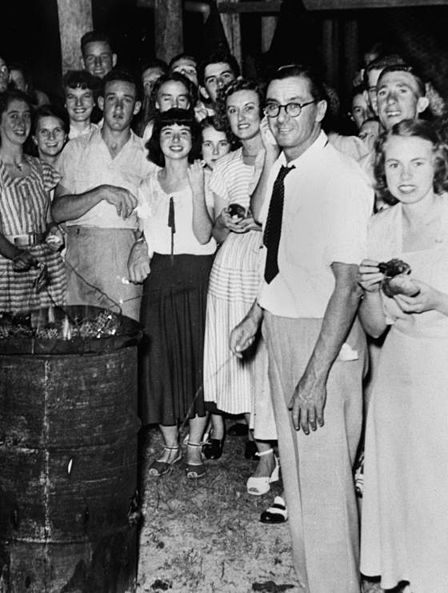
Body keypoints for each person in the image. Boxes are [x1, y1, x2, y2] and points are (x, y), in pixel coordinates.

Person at [230, 65, 373, 593]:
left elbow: (347, 287)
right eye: (273, 106)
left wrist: (315, 377)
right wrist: (256, 313)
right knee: (298, 477)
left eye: (294, 105)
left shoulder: (341, 178)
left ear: (319, 110)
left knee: (326, 487)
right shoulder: (288, 173)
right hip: (284, 331)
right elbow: (282, 262)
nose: (281, 116)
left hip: (324, 344)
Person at [358, 119, 448, 593]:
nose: (405, 175)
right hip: (398, 368)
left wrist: (438, 301)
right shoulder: (380, 226)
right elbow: (375, 327)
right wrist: (369, 290)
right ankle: (412, 578)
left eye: (417, 162)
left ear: (438, 161)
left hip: (444, 367)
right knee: (402, 479)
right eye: (394, 164)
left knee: (440, 481)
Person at [128, 108, 216, 479]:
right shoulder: (148, 184)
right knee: (160, 358)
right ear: (157, 141)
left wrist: (196, 190)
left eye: (184, 132)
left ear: (193, 140)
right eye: (168, 133)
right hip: (161, 278)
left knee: (195, 357)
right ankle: (170, 445)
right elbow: (143, 234)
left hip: (197, 277)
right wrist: (137, 248)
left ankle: (195, 443)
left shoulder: (207, 178)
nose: (176, 139)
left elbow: (202, 235)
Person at [203, 79, 276, 491]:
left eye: (250, 108)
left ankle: (276, 446)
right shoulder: (225, 165)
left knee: (270, 361)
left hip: (266, 265)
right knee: (241, 357)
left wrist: (259, 220)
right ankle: (264, 455)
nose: (242, 117)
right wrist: (229, 223)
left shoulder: (280, 158)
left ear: (264, 111)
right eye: (233, 111)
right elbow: (215, 231)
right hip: (232, 266)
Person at [53, 70, 156, 321]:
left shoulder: (147, 155)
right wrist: (101, 192)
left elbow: (155, 216)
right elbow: (57, 211)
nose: (118, 107)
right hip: (79, 255)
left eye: (127, 100)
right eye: (112, 99)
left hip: (123, 255)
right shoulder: (76, 148)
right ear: (101, 103)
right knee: (80, 340)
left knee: (123, 336)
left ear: (137, 107)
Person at [0, 89, 67, 317]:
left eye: (26, 116)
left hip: (46, 263)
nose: (21, 122)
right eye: (13, 116)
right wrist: (16, 255)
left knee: (50, 332)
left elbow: (47, 220)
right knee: (14, 336)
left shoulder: (40, 168)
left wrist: (54, 231)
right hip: (10, 265)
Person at [63, 70, 100, 140]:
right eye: (72, 97)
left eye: (86, 96)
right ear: (65, 102)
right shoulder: (58, 138)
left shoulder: (102, 135)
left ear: (94, 101)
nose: (79, 103)